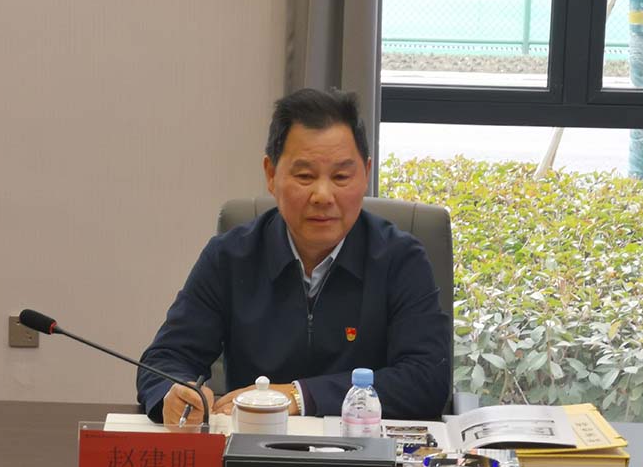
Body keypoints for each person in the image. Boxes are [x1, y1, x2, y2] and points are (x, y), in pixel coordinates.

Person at [137, 88, 451, 425]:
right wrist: (173, 393)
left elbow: (426, 379)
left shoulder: (400, 259)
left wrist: (301, 396)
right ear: (271, 175)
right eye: (305, 176)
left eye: (341, 177)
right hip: (253, 445)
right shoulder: (230, 257)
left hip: (362, 449)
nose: (323, 195)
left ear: (366, 174)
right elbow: (164, 360)